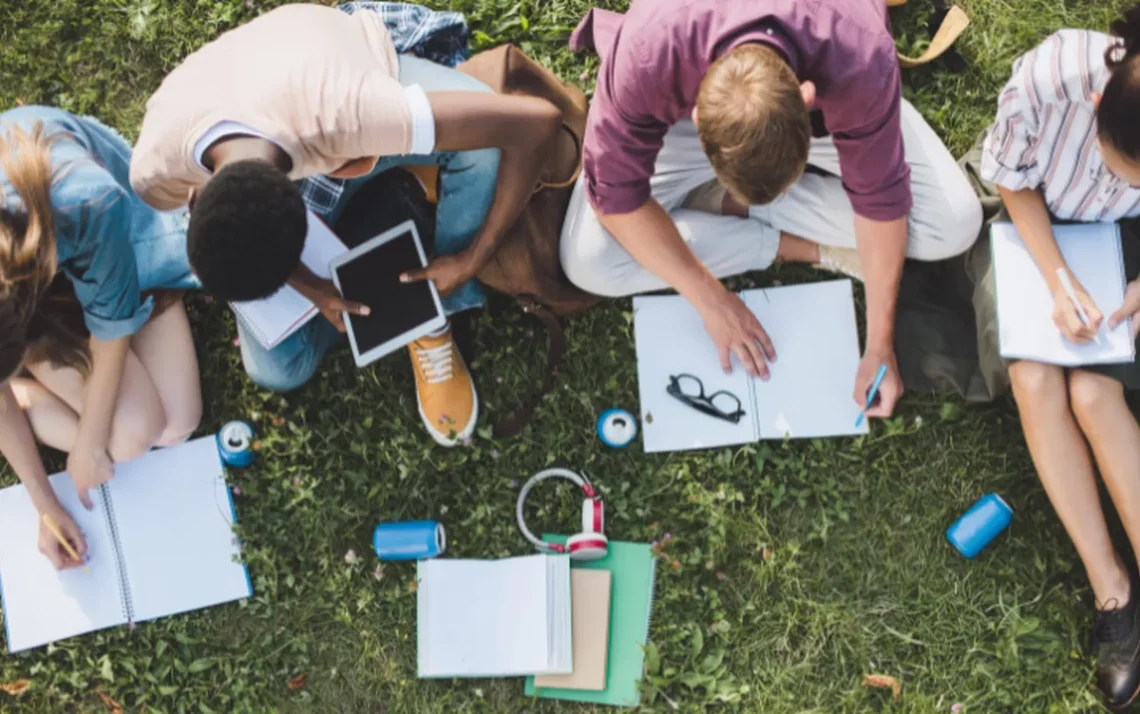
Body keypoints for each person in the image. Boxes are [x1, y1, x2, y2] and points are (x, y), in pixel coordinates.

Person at [130, 3, 560, 447]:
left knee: (482, 153)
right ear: (194, 195)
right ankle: (398, 223)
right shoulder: (154, 171)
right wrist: (310, 286)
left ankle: (438, 305)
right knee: (277, 368)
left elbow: (538, 124)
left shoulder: (357, 114)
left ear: (307, 216)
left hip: (343, 68)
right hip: (268, 94)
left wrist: (473, 258)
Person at [560, 0, 983, 419]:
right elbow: (613, 196)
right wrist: (710, 300)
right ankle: (778, 234)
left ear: (807, 98)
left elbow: (882, 200)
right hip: (686, 104)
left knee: (953, 224)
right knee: (588, 260)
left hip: (838, 84)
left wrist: (879, 346)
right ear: (695, 114)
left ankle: (722, 207)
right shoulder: (648, 50)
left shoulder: (860, 54)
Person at [979, 8, 1140, 709]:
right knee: (1035, 377)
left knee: (1096, 396)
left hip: (1129, 245)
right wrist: (1057, 278)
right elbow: (1011, 178)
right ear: (1101, 103)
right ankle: (1114, 589)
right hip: (1038, 225)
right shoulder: (1052, 77)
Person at [0, 106, 202, 570]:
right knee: (135, 437)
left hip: (107, 243)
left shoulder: (84, 204)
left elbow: (111, 327)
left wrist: (89, 444)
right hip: (44, 284)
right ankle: (29, 399)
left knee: (174, 427)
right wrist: (45, 503)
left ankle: (35, 396)